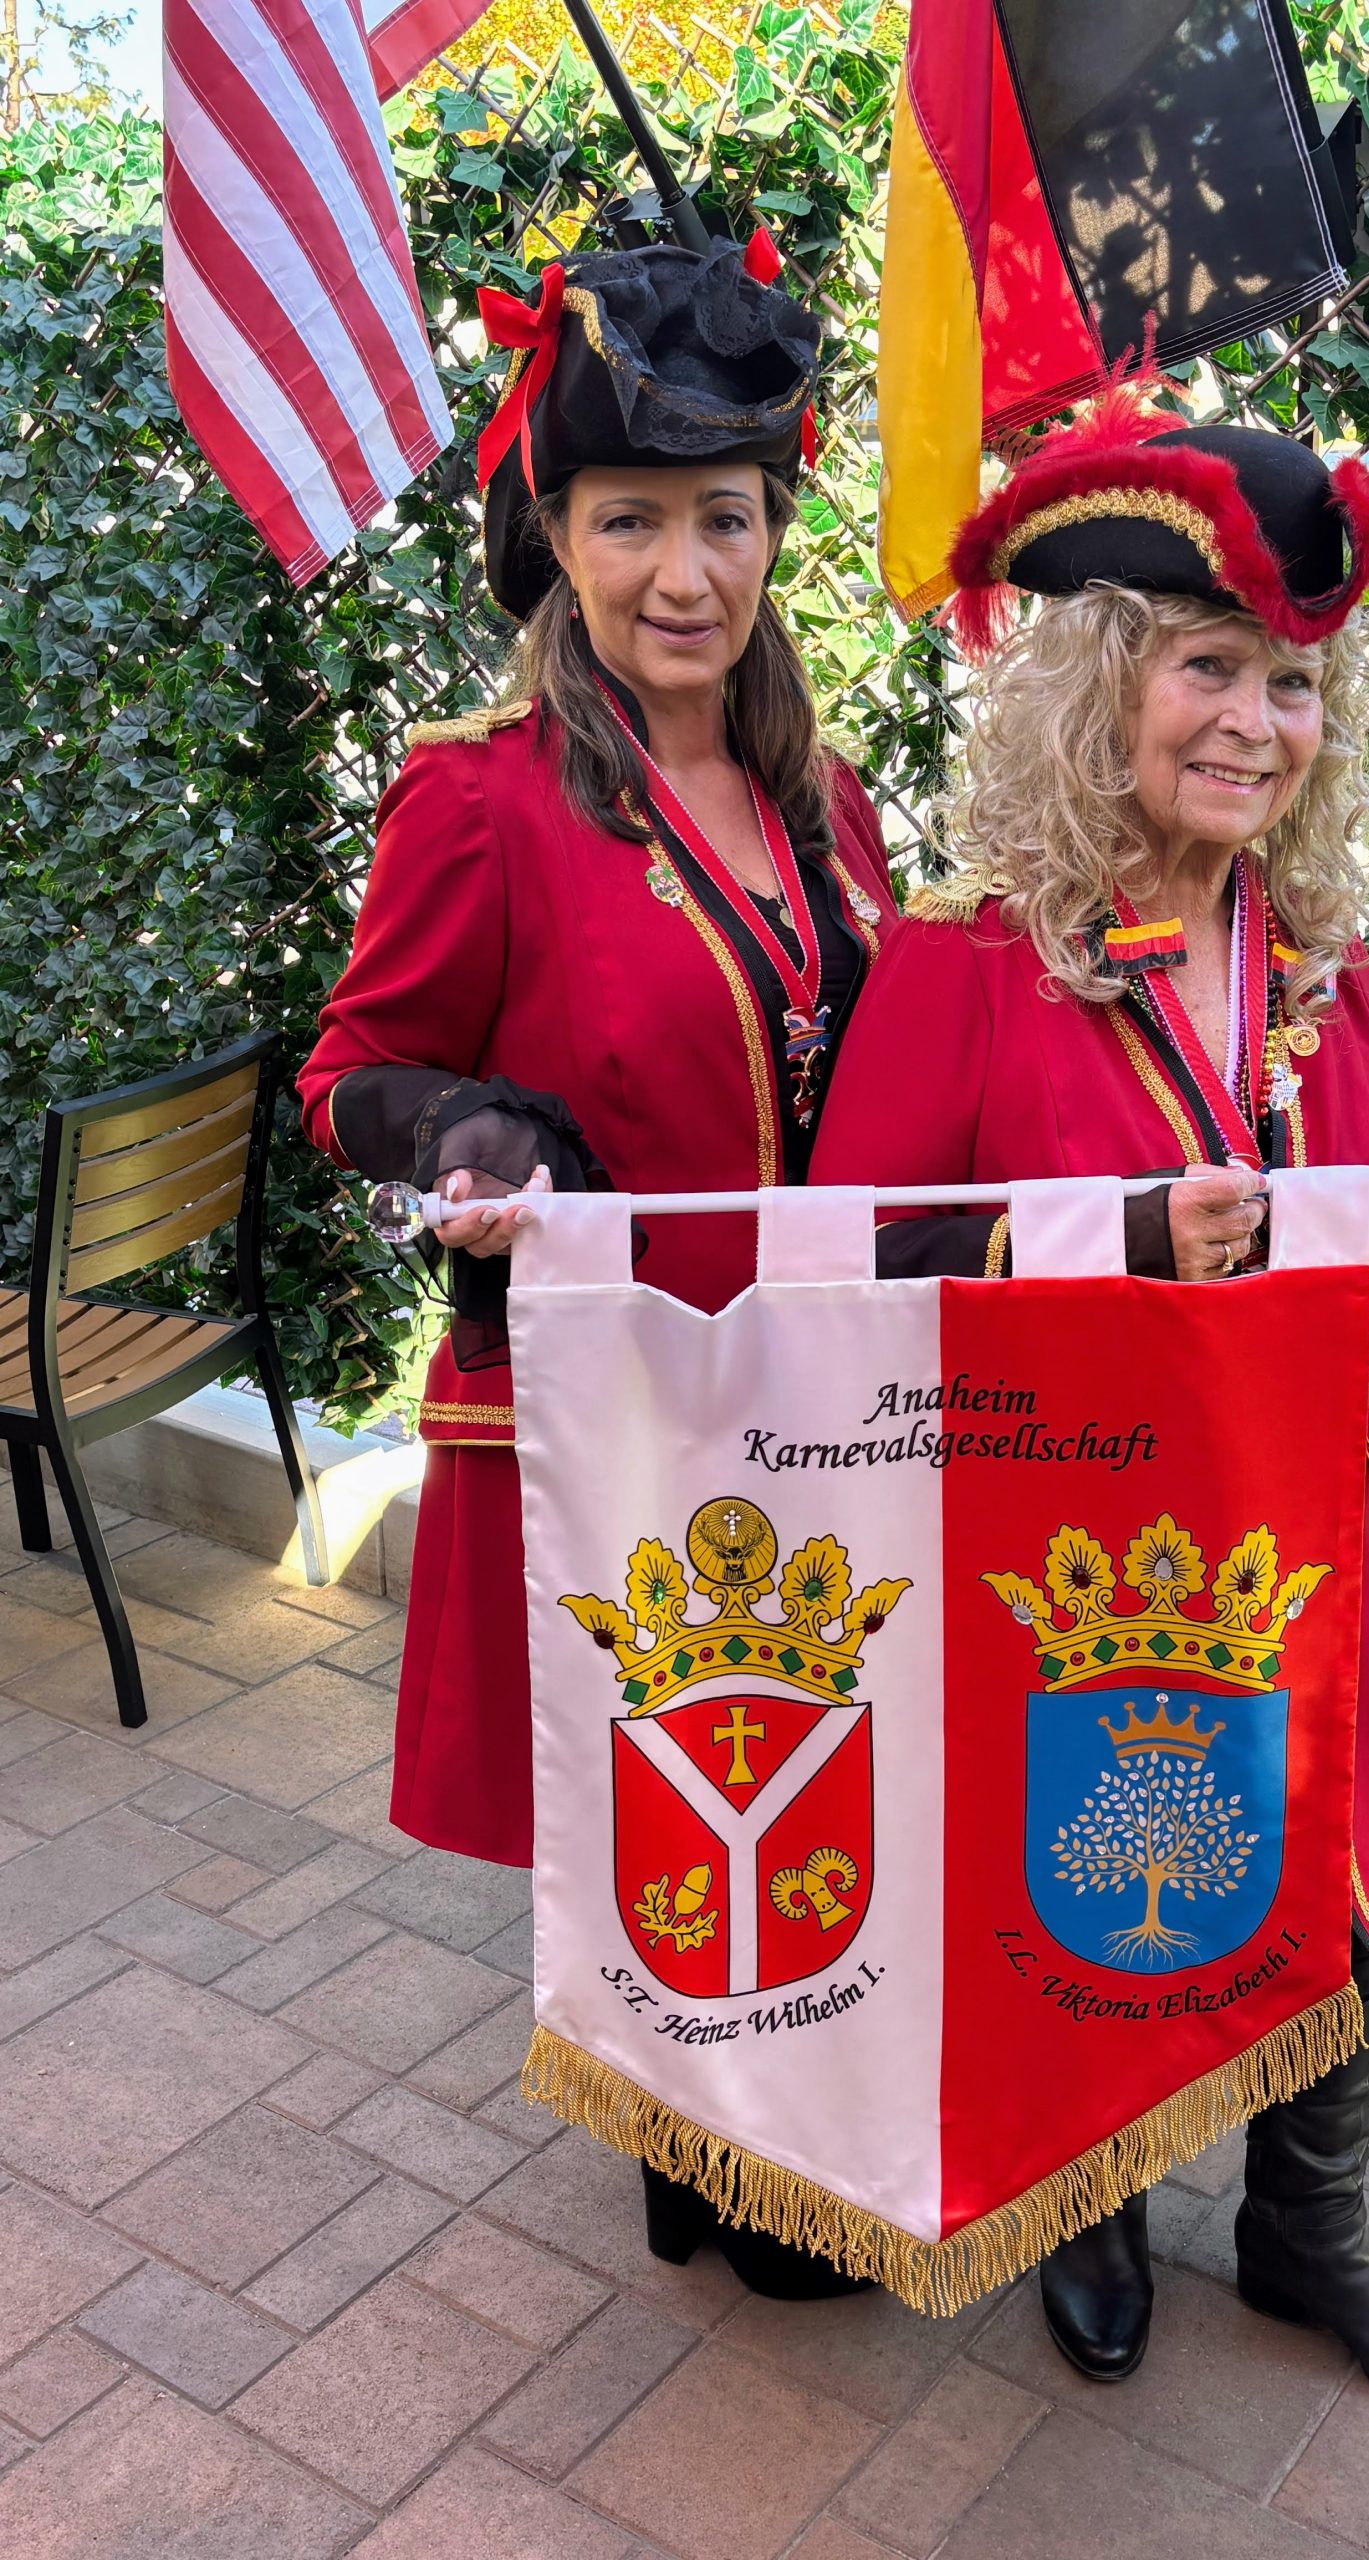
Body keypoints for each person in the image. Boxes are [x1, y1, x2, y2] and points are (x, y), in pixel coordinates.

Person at [809, 386, 1369, 2408]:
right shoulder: (961, 960)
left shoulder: (1328, 959)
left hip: (1297, 1530)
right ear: (1103, 683)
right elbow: (840, 1275)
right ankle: (1096, 2193)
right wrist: (1102, 1248)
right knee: (1092, 1891)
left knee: (1349, 1879)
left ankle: (1313, 2238)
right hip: (1060, 1558)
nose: (1255, 720)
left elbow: (1360, 1240)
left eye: (1292, 683)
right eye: (1210, 666)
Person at [299, 239, 894, 2296]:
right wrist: (460, 1128)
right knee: (658, 1804)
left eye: (719, 519)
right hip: (616, 1424)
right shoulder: (479, 800)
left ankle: (785, 2116)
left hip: (827, 1420)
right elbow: (353, 1067)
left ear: (768, 530)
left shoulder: (840, 810)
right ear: (551, 532)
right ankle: (701, 2137)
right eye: (628, 519)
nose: (681, 571)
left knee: (800, 1776)